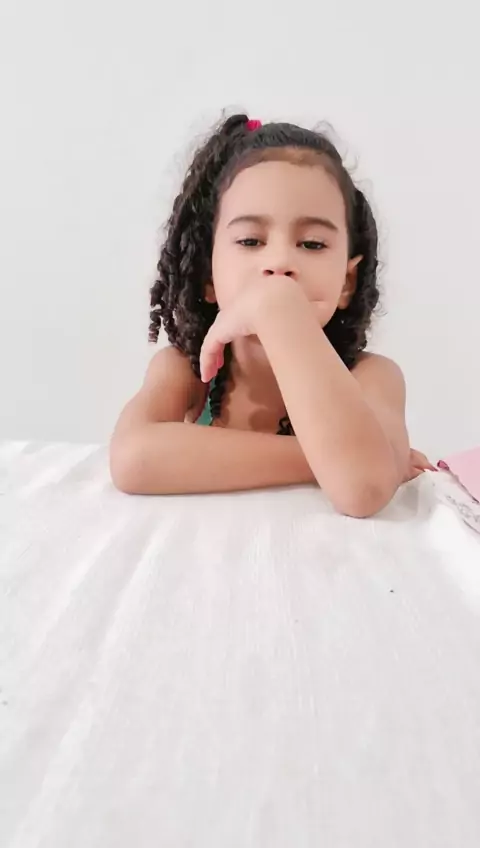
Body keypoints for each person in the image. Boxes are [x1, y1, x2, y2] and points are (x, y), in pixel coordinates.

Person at [110, 114, 434, 516]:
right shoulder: (186, 370)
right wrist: (323, 459)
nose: (279, 263)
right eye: (250, 241)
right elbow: (132, 459)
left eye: (312, 244)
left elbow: (363, 488)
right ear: (208, 276)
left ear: (347, 282)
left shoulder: (371, 376)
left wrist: (279, 312)